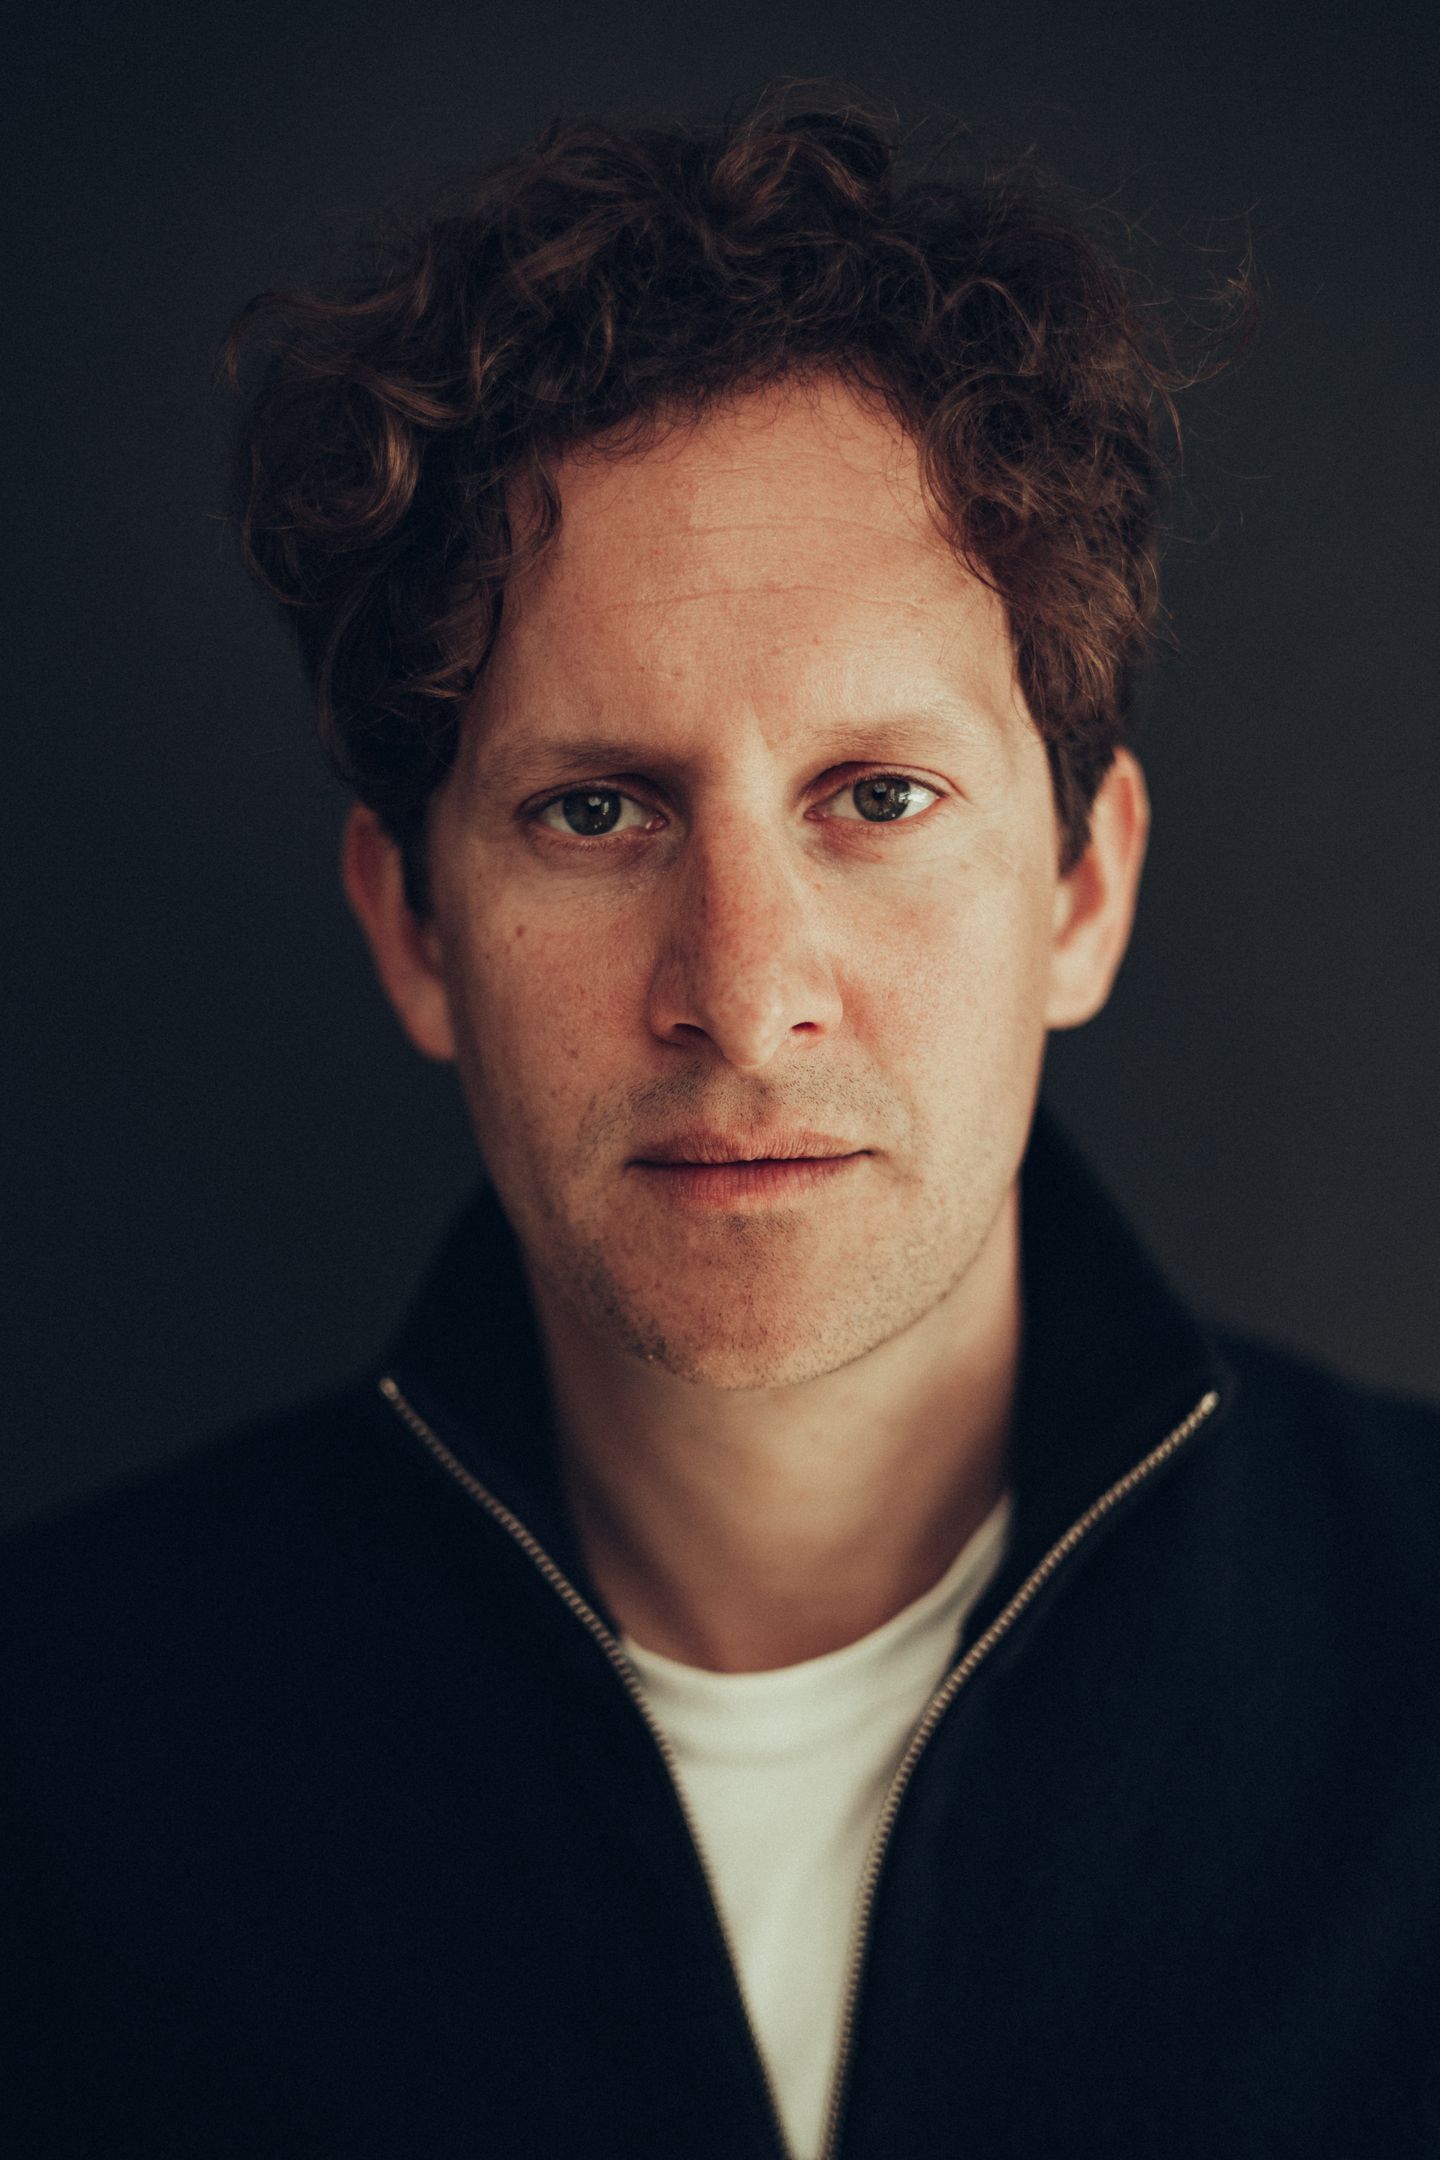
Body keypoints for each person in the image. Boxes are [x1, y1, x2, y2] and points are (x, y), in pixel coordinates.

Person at [4, 94, 1438, 2160]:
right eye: (597, 809)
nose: (745, 991)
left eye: (880, 796)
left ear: (1082, 890)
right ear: (412, 927)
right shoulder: (62, 1771)